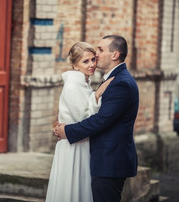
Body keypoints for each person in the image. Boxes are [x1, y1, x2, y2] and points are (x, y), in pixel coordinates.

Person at [55, 35, 139, 202]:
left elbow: (100, 121)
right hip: (102, 160)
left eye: (100, 50)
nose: (96, 54)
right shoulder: (111, 79)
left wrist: (67, 131)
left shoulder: (121, 83)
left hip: (110, 162)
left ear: (115, 55)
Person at [45, 42, 113, 202]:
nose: (92, 65)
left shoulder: (83, 83)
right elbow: (85, 118)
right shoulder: (73, 85)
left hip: (79, 143)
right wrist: (97, 97)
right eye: (85, 61)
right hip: (73, 147)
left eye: (93, 60)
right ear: (75, 66)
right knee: (72, 190)